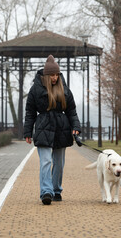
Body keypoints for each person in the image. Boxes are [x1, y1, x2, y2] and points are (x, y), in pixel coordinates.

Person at [23, 54, 81, 205]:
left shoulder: (65, 89)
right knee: (46, 162)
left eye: (57, 74)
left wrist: (76, 127)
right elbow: (30, 112)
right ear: (46, 75)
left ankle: (56, 190)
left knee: (59, 163)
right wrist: (27, 132)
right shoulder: (35, 90)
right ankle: (46, 192)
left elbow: (72, 111)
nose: (55, 78)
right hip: (43, 127)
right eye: (52, 75)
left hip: (62, 128)